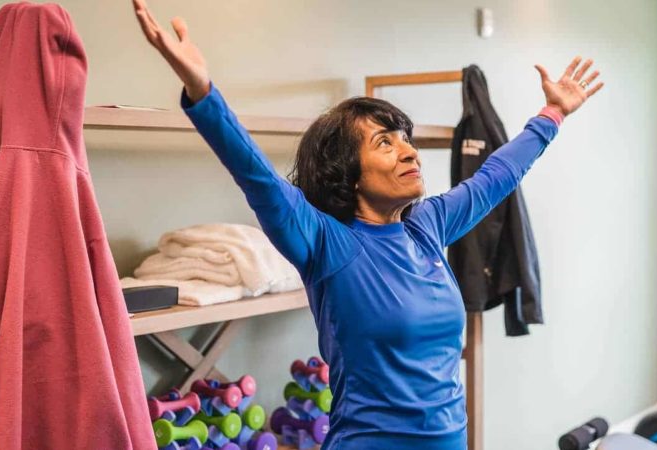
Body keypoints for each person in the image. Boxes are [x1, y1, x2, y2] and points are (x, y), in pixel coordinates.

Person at [132, 2, 603, 449]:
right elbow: (257, 176)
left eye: (406, 139)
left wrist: (553, 112)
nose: (409, 151)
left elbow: (497, 177)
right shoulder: (327, 244)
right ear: (347, 171)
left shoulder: (427, 228)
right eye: (385, 142)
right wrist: (203, 93)